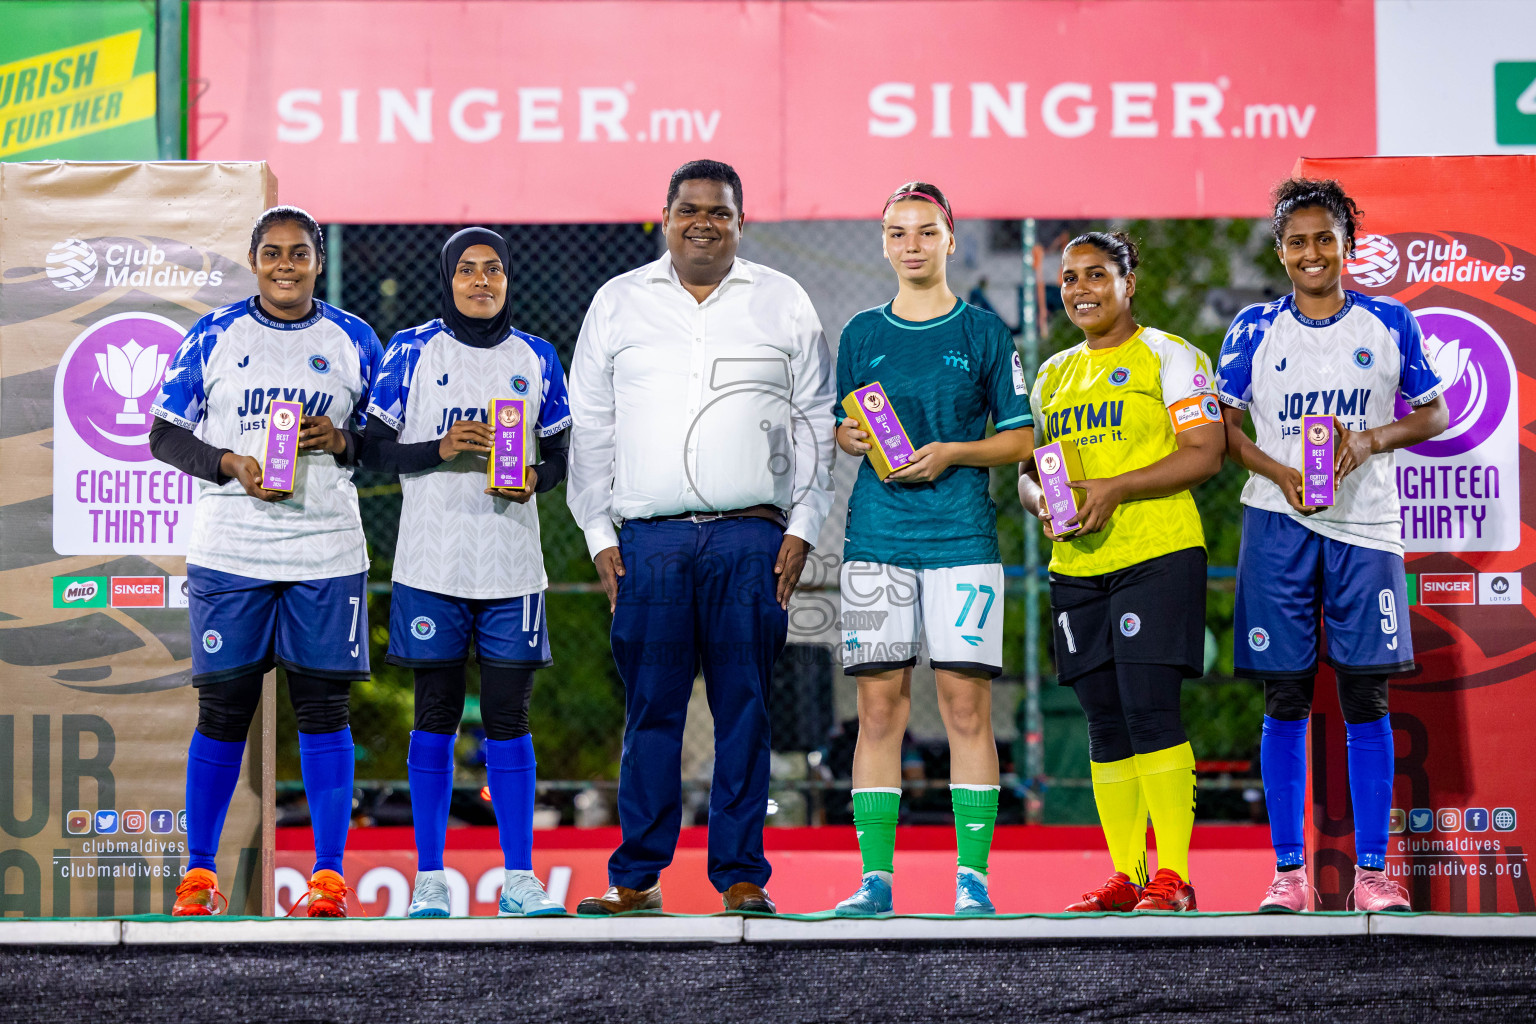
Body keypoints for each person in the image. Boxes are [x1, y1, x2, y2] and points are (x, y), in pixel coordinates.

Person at [566, 159, 835, 915]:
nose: (703, 223)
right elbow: (591, 428)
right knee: (651, 709)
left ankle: (741, 872)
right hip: (647, 543)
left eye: (719, 212)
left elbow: (816, 420)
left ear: (740, 223)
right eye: (690, 210)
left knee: (744, 707)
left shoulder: (783, 302)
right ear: (666, 216)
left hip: (751, 540)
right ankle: (638, 875)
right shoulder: (618, 304)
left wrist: (805, 525)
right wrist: (596, 532)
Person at [1216, 179, 1447, 912]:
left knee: (1365, 694)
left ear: (1348, 246)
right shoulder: (1252, 329)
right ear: (1280, 251)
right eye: (1297, 241)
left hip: (1366, 527)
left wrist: (1371, 441)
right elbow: (1221, 429)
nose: (1311, 253)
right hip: (1277, 524)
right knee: (1284, 695)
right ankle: (1290, 874)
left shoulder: (1389, 322)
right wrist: (1280, 470)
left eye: (1325, 238)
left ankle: (1373, 875)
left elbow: (1434, 412)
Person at [149, 206, 382, 917]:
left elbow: (388, 441)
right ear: (253, 260)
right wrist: (228, 462)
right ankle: (197, 877)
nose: (287, 265)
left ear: (317, 261)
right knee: (223, 710)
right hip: (231, 548)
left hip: (325, 548)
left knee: (323, 709)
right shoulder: (215, 334)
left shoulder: (355, 339)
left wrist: (341, 440)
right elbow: (163, 436)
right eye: (273, 253)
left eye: (301, 253)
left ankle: (329, 880)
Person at [831, 182, 1034, 917]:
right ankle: (874, 883)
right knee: (879, 711)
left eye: (924, 232)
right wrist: (848, 435)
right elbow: (846, 426)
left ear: (950, 238)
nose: (910, 245)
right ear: (884, 243)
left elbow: (1020, 438)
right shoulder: (861, 333)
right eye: (896, 233)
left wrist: (952, 451)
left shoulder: (983, 332)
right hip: (877, 539)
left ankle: (971, 880)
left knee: (965, 710)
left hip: (961, 539)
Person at [360, 228, 572, 918]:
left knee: (509, 718)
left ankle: (519, 879)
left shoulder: (537, 357)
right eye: (468, 271)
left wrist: (535, 477)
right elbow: (373, 449)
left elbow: (568, 455)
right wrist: (442, 446)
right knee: (436, 715)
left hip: (513, 567)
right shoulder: (411, 350)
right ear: (448, 279)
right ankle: (429, 878)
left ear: (510, 279)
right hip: (433, 563)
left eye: (494, 270)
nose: (482, 281)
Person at [1019, 232, 1224, 914]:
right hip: (1078, 563)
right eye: (1071, 278)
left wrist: (1112, 488)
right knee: (1103, 720)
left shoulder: (1169, 355)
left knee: (1148, 708)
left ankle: (1176, 875)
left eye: (1098, 275)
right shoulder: (1051, 375)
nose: (1081, 288)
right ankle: (1127, 874)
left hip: (1157, 554)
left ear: (1128, 282)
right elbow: (1029, 472)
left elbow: (1205, 453)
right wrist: (1045, 507)